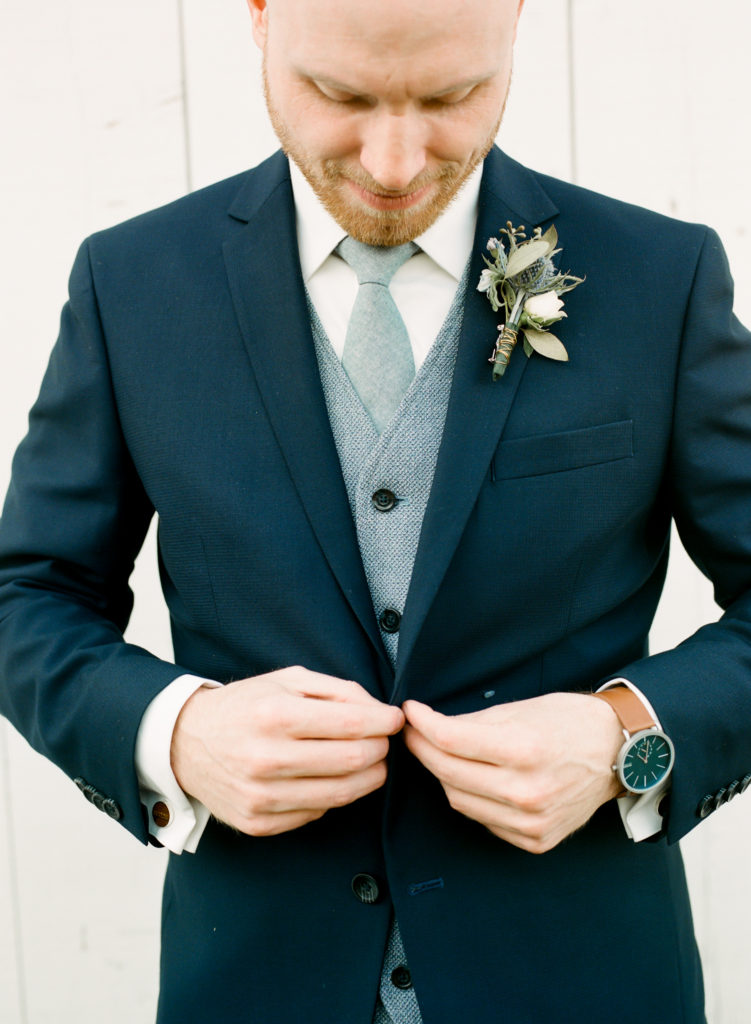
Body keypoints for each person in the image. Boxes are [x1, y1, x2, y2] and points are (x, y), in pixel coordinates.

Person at [0, 0, 749, 1020]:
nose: (394, 163)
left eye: (450, 96)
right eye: (339, 94)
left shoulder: (661, 279)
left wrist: (627, 740)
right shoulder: (129, 284)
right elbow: (29, 594)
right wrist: (174, 734)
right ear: (259, 17)